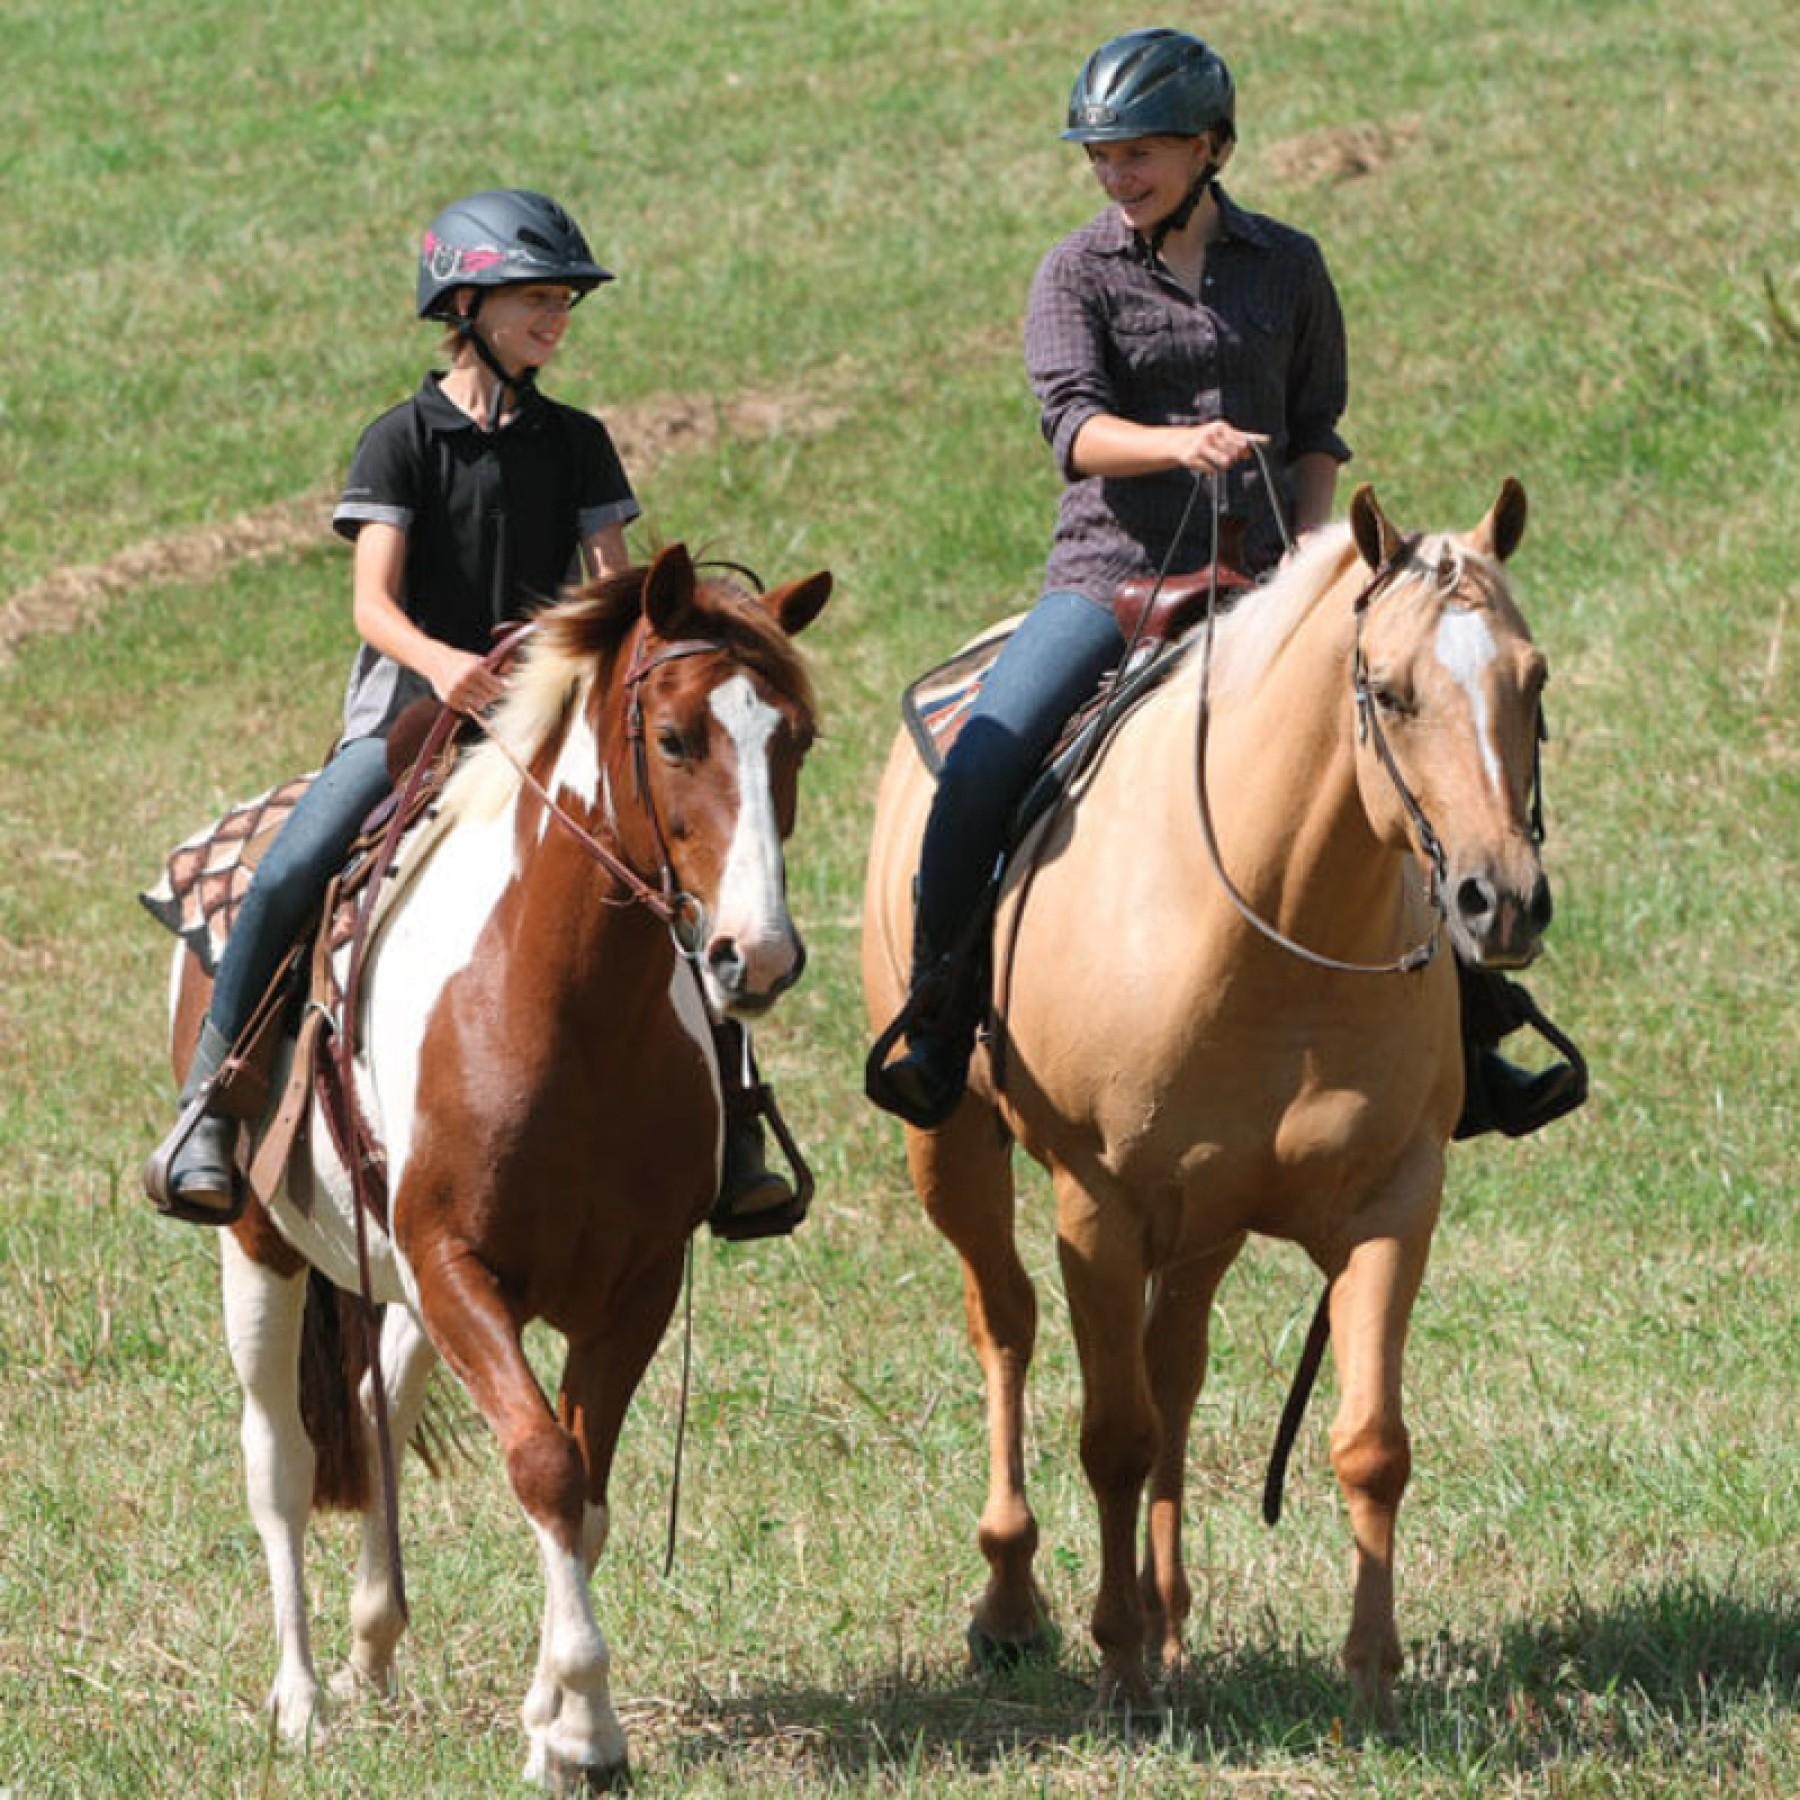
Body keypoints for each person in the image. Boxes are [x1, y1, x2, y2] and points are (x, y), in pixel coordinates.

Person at [866, 29, 1583, 1138]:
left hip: (1270, 585)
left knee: (1409, 757)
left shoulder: (1288, 266)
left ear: (1211, 147)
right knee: (984, 762)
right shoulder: (1074, 273)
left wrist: (1310, 559)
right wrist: (1177, 446)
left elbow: (1314, 435)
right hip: (1111, 581)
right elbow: (1075, 430)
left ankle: (1471, 1037)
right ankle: (936, 1017)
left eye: (1139, 152)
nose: (1116, 174)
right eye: (1101, 157)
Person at [146, 188, 798, 1230]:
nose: (557, 321)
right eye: (536, 299)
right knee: (292, 869)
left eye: (563, 303)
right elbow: (372, 603)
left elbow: (614, 594)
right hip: (410, 717)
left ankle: (740, 1119)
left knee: (670, 887)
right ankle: (211, 1111)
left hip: (544, 726)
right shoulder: (398, 442)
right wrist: (444, 666)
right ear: (467, 305)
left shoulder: (580, 442)